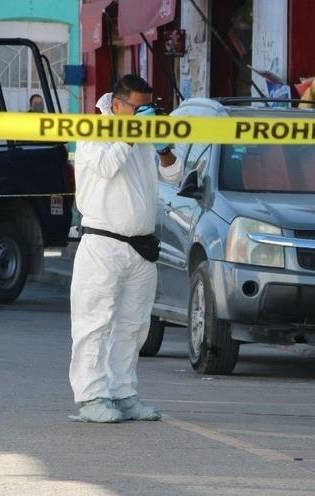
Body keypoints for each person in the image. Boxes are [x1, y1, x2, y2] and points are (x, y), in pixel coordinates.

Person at [69, 74, 182, 423]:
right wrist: (132, 135)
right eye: (138, 107)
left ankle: (123, 393)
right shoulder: (93, 131)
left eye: (150, 106)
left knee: (133, 326)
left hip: (140, 247)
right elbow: (106, 166)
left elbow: (174, 176)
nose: (144, 113)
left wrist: (163, 150)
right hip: (103, 244)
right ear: (117, 105)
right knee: (94, 323)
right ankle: (91, 398)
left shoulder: (142, 136)